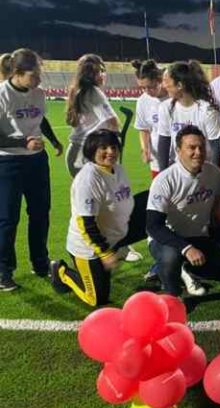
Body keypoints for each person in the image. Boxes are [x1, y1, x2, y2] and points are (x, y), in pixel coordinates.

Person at [50, 130, 147, 306]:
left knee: (154, 210)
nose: (110, 151)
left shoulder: (117, 169)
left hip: (114, 235)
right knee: (96, 298)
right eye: (103, 148)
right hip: (90, 248)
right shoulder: (88, 180)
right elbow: (85, 224)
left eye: (113, 147)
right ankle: (61, 271)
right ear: (91, 151)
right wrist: (105, 253)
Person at [146, 125, 220, 297]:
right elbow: (153, 226)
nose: (198, 152)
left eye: (201, 147)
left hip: (200, 237)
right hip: (168, 239)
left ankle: (187, 270)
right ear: (178, 150)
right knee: (171, 257)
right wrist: (186, 248)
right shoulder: (164, 180)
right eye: (191, 147)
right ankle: (172, 291)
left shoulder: (213, 172)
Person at [0, 49, 58, 291]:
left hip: (36, 161)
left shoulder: (39, 93)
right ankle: (3, 272)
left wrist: (53, 140)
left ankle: (40, 263)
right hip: (8, 163)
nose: (39, 79)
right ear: (18, 73)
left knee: (40, 213)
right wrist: (22, 143)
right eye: (34, 75)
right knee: (7, 219)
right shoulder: (2, 94)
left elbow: (40, 118)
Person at [156, 61, 220, 171]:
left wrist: (212, 174)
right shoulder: (165, 108)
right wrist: (162, 174)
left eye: (167, 81)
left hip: (203, 169)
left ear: (179, 85)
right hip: (180, 170)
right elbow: (164, 143)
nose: (164, 85)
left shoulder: (206, 110)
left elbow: (215, 147)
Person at [65, 54, 119, 177]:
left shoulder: (77, 89)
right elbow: (112, 121)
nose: (102, 75)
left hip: (76, 152)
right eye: (99, 71)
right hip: (88, 152)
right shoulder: (94, 92)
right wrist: (116, 140)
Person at [132, 59, 168, 179]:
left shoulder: (173, 96)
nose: (147, 91)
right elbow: (144, 128)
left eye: (151, 87)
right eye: (143, 88)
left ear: (160, 80)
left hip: (179, 159)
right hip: (157, 161)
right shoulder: (142, 101)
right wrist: (145, 148)